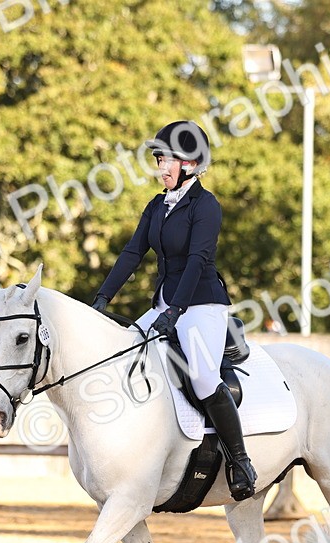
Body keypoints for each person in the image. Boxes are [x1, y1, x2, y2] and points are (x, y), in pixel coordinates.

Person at [91, 120, 258, 500]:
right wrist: (102, 299)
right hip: (166, 302)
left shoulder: (207, 206)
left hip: (201, 305)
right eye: (158, 158)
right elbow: (133, 252)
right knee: (124, 355)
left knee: (201, 377)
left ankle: (241, 461)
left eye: (168, 159)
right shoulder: (156, 204)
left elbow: (199, 259)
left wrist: (176, 311)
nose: (161, 166)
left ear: (192, 164)